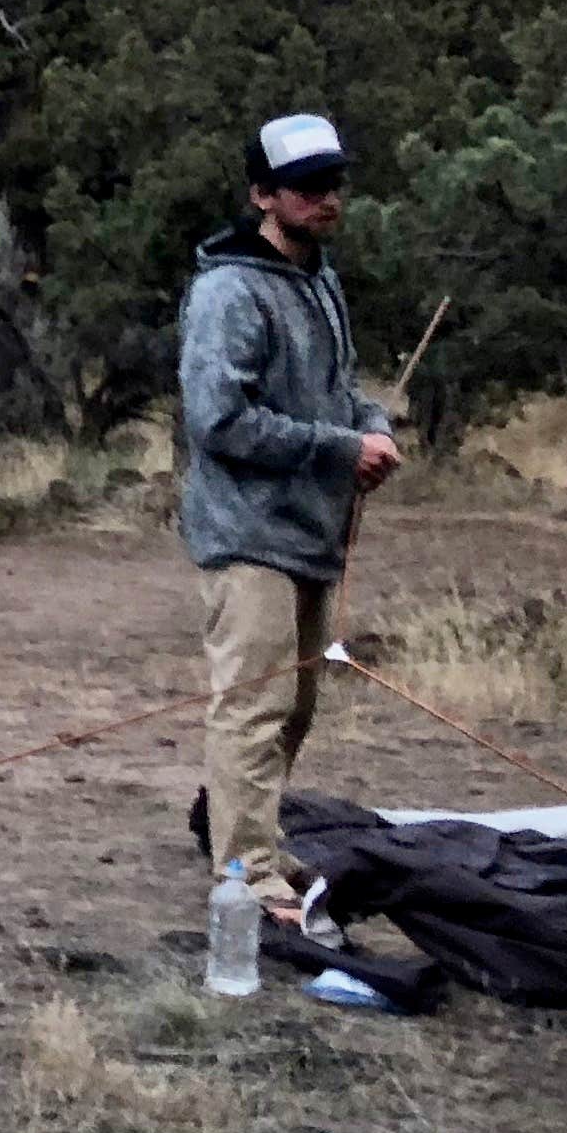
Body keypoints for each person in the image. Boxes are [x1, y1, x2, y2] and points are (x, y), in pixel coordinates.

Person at [179, 113, 402, 899]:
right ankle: (243, 874)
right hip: (246, 533)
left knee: (297, 706)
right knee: (253, 707)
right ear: (263, 196)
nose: (326, 199)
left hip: (312, 529)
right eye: (308, 187)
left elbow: (337, 390)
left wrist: (370, 425)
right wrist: (340, 449)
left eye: (334, 183)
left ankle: (259, 845)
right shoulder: (229, 291)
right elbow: (219, 420)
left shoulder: (320, 280)